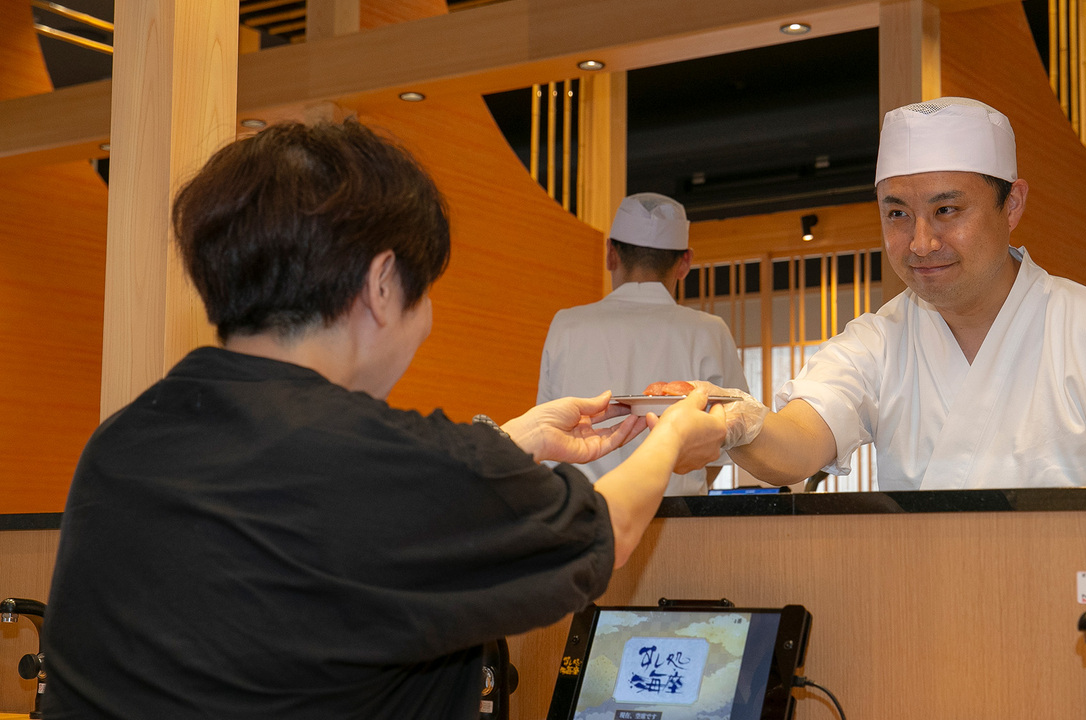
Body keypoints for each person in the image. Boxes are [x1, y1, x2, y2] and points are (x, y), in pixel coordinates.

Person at [41, 120, 725, 719]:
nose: (424, 322)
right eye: (424, 292)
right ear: (381, 283)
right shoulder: (377, 460)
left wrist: (508, 443)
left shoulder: (124, 441)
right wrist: (672, 435)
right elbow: (605, 531)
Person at [696, 97, 1086, 490]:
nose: (921, 242)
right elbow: (796, 446)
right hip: (931, 612)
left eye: (948, 210)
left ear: (1011, 206)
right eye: (897, 213)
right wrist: (733, 424)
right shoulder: (880, 342)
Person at [538, 193, 751, 496]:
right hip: (677, 521)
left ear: (611, 253)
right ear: (685, 262)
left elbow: (545, 433)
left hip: (577, 519)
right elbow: (731, 438)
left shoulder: (566, 325)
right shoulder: (709, 332)